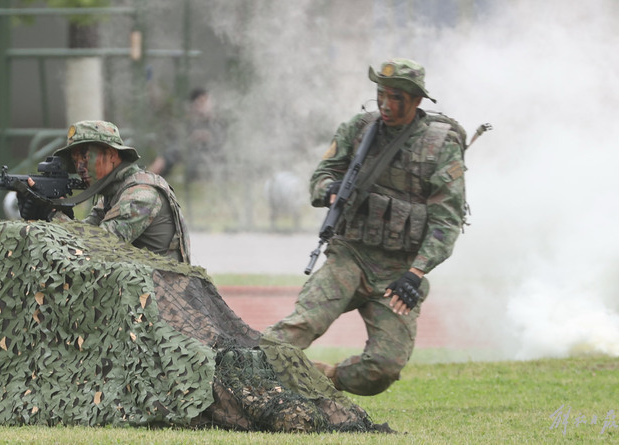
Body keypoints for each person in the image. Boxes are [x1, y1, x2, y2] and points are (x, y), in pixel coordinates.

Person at [261, 58, 467, 396]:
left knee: (383, 368)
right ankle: (241, 373)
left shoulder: (440, 146)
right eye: (381, 94)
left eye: (396, 97)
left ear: (416, 101)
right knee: (300, 326)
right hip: (350, 255)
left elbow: (447, 221)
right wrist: (328, 191)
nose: (386, 104)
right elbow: (321, 175)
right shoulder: (358, 129)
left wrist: (415, 273)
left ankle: (323, 379)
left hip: (397, 273)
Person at [18, 120, 190, 264]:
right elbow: (86, 235)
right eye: (75, 160)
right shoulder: (113, 194)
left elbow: (99, 246)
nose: (79, 167)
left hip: (165, 296)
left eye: (85, 157)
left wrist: (54, 214)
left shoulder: (141, 195)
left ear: (111, 155)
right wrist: (50, 214)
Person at [147, 87, 226, 179]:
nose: (206, 105)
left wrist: (207, 137)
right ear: (194, 105)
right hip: (191, 161)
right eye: (201, 102)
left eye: (206, 101)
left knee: (168, 157)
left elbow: (222, 145)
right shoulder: (189, 125)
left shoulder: (217, 124)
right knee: (165, 158)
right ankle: (148, 179)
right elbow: (178, 146)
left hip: (212, 163)